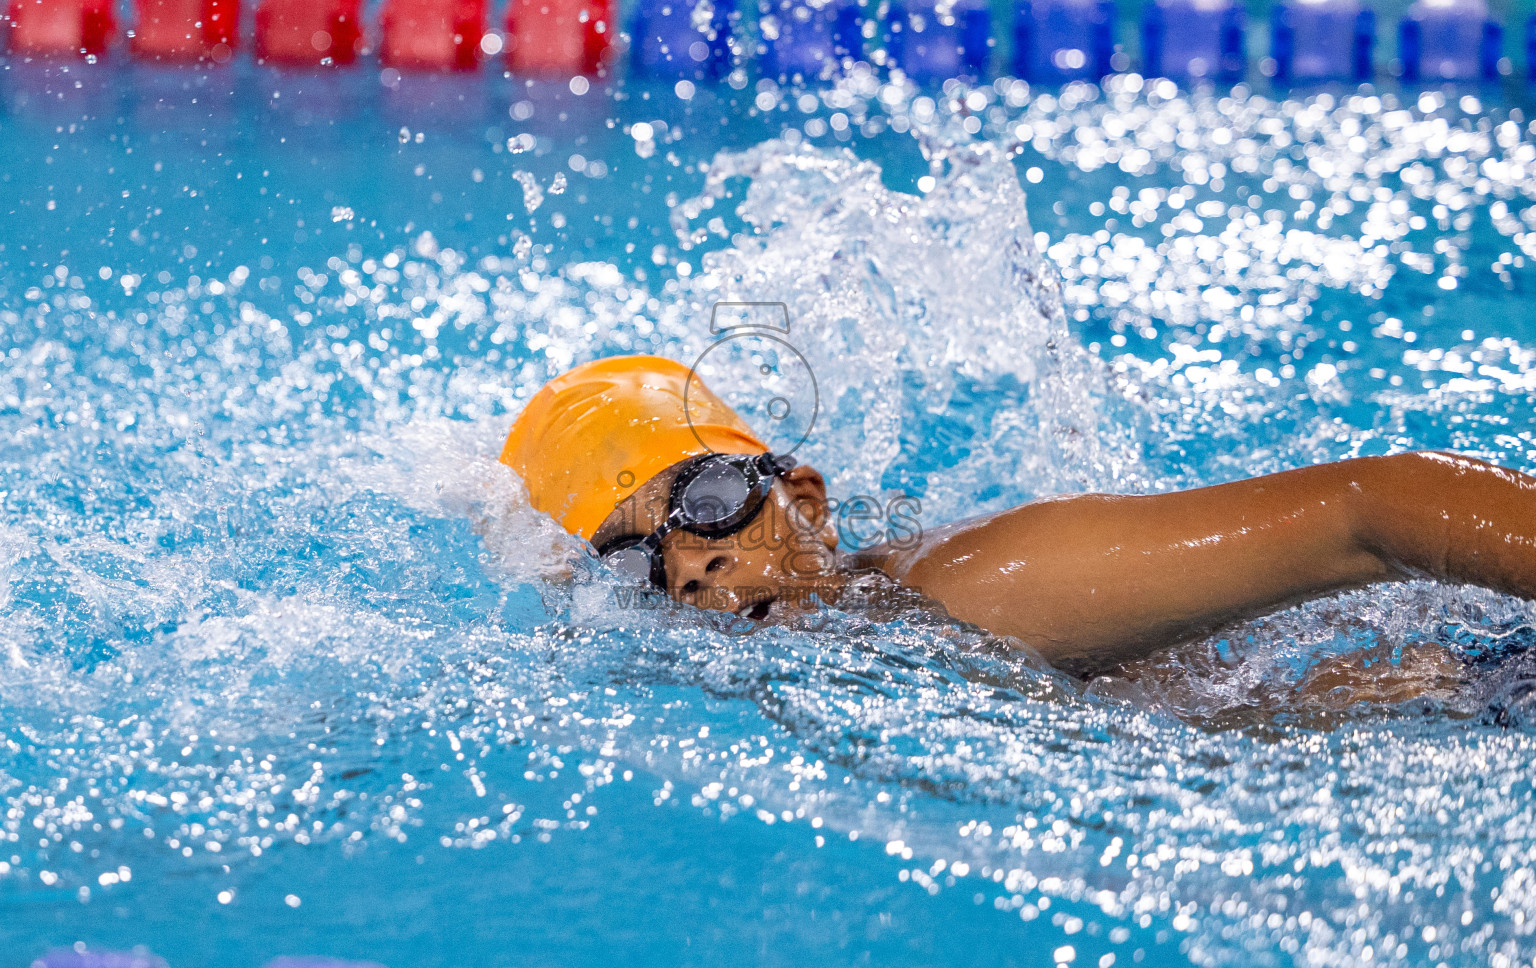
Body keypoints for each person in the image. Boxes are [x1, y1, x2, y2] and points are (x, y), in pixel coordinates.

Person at [500, 354, 1536, 681]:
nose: (687, 570)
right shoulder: (865, 651)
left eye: (706, 504)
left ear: (802, 498)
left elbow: (1375, 504)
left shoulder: (978, 587)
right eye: (639, 560)